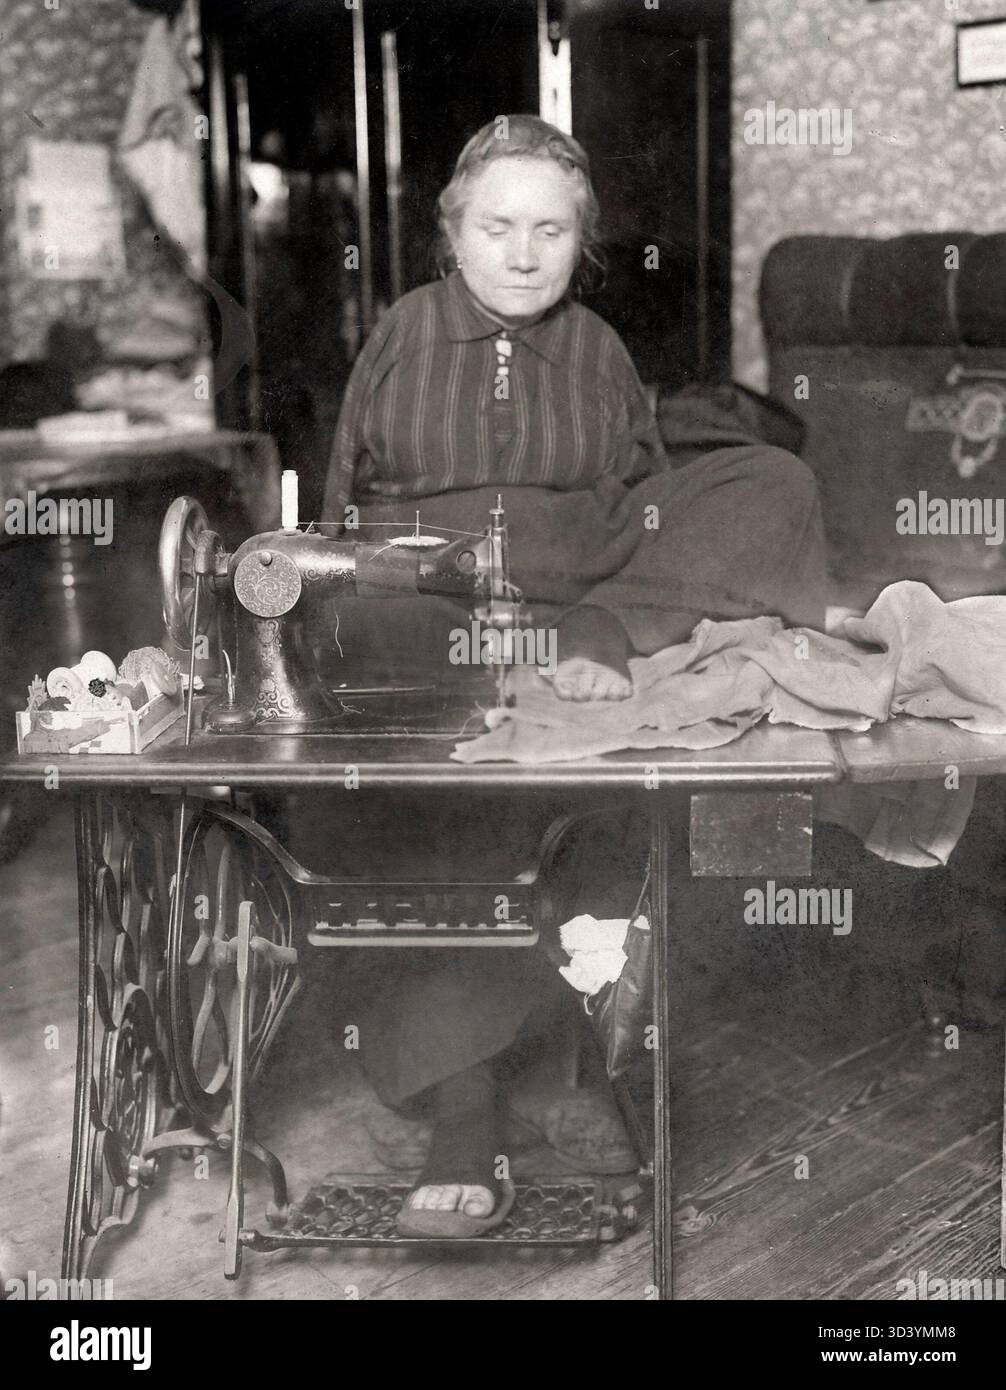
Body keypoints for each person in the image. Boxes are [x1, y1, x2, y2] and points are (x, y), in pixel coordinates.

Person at [320, 115, 828, 1234]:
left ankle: (597, 643)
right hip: (438, 608)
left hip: (585, 591)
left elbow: (650, 495)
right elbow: (338, 509)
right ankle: (467, 1103)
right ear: (451, 229)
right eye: (496, 225)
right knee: (370, 638)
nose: (521, 251)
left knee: (769, 483)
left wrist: (614, 602)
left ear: (581, 242)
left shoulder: (597, 346)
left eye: (550, 230)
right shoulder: (401, 333)